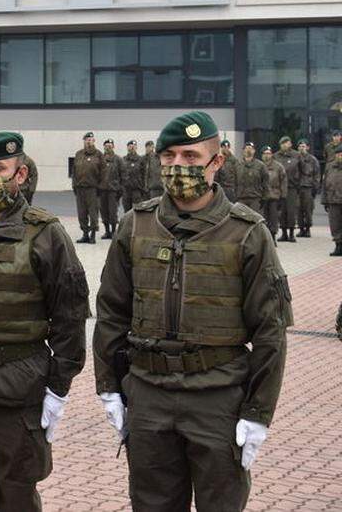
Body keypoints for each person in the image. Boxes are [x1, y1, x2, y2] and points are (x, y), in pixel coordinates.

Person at [93, 111, 291, 512]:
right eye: (169, 157)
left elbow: (270, 332)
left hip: (217, 398)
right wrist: (109, 385)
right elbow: (111, 312)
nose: (177, 167)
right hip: (148, 395)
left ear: (216, 162)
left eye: (189, 156)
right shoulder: (135, 225)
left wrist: (257, 413)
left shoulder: (248, 233)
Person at [0, 132, 89, 512]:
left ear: (20, 174)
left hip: (18, 387)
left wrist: (57, 388)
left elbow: (70, 317)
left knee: (17, 495)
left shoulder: (45, 234)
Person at [71, 132, 104, 243]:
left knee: (93, 212)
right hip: (80, 188)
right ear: (84, 141)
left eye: (90, 139)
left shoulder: (99, 154)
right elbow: (74, 172)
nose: (88, 141)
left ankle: (93, 234)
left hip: (92, 189)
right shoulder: (79, 154)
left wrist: (100, 188)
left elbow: (103, 172)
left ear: (94, 141)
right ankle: (85, 233)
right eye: (86, 140)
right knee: (82, 212)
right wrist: (74, 186)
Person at [273, 137, 301, 242]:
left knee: (291, 211)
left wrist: (298, 183)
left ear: (290, 144)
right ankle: (284, 233)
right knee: (282, 211)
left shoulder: (296, 155)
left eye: (287, 143)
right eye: (283, 143)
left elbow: (301, 170)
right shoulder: (276, 156)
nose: (285, 145)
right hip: (279, 188)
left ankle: (291, 234)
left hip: (292, 187)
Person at [99, 138, 124, 239]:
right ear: (104, 147)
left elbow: (123, 175)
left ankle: (114, 231)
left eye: (110, 146)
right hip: (102, 190)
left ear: (113, 147)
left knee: (113, 212)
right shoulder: (100, 159)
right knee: (104, 212)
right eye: (106, 146)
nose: (108, 147)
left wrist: (120, 190)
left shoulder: (118, 159)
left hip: (113, 191)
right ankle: (107, 231)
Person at [234, 142, 268, 215]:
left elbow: (265, 182)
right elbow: (234, 181)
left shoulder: (260, 165)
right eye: (246, 148)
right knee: (241, 221)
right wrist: (235, 196)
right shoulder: (237, 164)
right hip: (241, 198)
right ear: (243, 151)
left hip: (255, 198)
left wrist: (264, 197)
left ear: (254, 151)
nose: (248, 150)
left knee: (255, 221)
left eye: (250, 148)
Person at [296, 139, 320, 237]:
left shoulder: (313, 160)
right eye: (300, 146)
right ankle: (301, 228)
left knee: (308, 209)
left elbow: (317, 174)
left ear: (308, 147)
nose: (302, 148)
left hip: (308, 187)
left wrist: (315, 188)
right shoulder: (295, 159)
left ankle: (308, 228)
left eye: (304, 146)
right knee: (298, 209)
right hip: (297, 187)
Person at [262, 146, 287, 238]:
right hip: (262, 196)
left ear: (272, 154)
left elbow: (283, 181)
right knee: (263, 218)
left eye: (268, 153)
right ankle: (264, 236)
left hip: (274, 196)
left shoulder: (278, 166)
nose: (267, 155)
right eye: (265, 153)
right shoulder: (259, 166)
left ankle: (273, 236)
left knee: (273, 217)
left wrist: (283, 196)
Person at [323, 149, 342, 256]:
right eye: (339, 154)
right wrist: (325, 200)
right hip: (333, 200)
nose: (340, 156)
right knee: (335, 225)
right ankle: (338, 246)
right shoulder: (329, 167)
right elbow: (325, 184)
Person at [122, 140, 148, 211]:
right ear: (127, 148)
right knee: (127, 211)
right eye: (130, 146)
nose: (132, 148)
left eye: (134, 146)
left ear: (136, 147)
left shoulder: (141, 160)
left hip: (137, 190)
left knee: (138, 210)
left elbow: (144, 174)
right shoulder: (123, 160)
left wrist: (143, 187)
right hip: (126, 190)